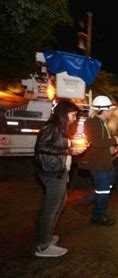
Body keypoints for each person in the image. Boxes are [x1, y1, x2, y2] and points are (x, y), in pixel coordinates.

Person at [34, 100, 85, 257]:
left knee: (59, 204)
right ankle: (43, 246)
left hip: (59, 171)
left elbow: (58, 148)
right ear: (64, 113)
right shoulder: (52, 127)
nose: (75, 118)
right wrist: (68, 150)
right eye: (73, 114)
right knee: (51, 208)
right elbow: (41, 147)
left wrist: (71, 151)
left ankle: (47, 236)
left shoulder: (61, 127)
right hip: (52, 172)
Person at [78, 95, 118, 226]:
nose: (111, 112)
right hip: (98, 164)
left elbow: (102, 142)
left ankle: (93, 199)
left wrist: (111, 148)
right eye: (109, 109)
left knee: (109, 184)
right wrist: (115, 140)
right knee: (103, 190)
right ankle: (98, 216)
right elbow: (96, 142)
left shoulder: (101, 122)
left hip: (105, 161)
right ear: (103, 110)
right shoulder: (92, 122)